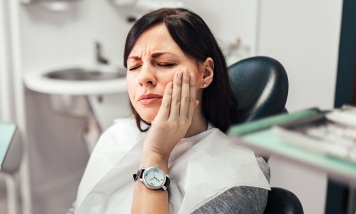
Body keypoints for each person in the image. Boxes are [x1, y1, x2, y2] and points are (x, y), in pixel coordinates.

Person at [73, 8, 270, 214]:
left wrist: (156, 154)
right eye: (134, 66)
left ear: (206, 73)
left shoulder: (239, 176)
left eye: (164, 63)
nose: (144, 77)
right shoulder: (116, 136)